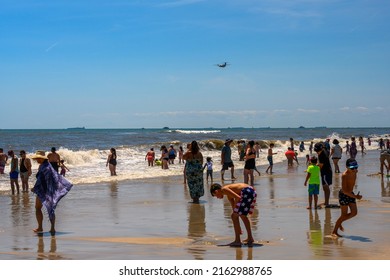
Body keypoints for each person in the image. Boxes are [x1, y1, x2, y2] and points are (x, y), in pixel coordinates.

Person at [31, 151, 73, 234]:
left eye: (38, 158)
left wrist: (35, 188)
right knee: (50, 209)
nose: (37, 160)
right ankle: (52, 228)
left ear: (42, 158)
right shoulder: (47, 166)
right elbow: (53, 177)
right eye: (36, 158)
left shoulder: (45, 167)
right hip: (49, 189)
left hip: (43, 190)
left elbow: (42, 179)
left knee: (38, 208)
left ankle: (41, 227)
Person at [210, 183, 257, 247]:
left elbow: (238, 198)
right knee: (241, 216)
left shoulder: (224, 189)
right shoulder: (229, 195)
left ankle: (237, 241)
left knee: (235, 216)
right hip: (251, 191)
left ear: (216, 191)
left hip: (247, 192)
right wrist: (238, 227)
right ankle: (250, 238)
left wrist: (235, 212)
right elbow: (234, 210)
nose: (217, 198)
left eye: (216, 195)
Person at [332, 158, 362, 238]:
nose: (354, 170)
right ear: (347, 167)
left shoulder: (355, 171)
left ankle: (339, 221)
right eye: (352, 168)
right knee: (344, 214)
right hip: (344, 195)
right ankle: (334, 231)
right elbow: (345, 191)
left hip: (351, 194)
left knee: (354, 212)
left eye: (356, 167)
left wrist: (354, 195)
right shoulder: (344, 175)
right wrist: (355, 196)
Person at [314, 142, 333, 207]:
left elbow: (321, 166)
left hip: (325, 172)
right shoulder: (325, 150)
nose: (317, 152)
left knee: (325, 187)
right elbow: (329, 149)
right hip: (328, 171)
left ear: (321, 149)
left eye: (318, 151)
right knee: (325, 187)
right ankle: (326, 202)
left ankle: (326, 203)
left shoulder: (322, 155)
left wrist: (313, 166)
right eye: (316, 151)